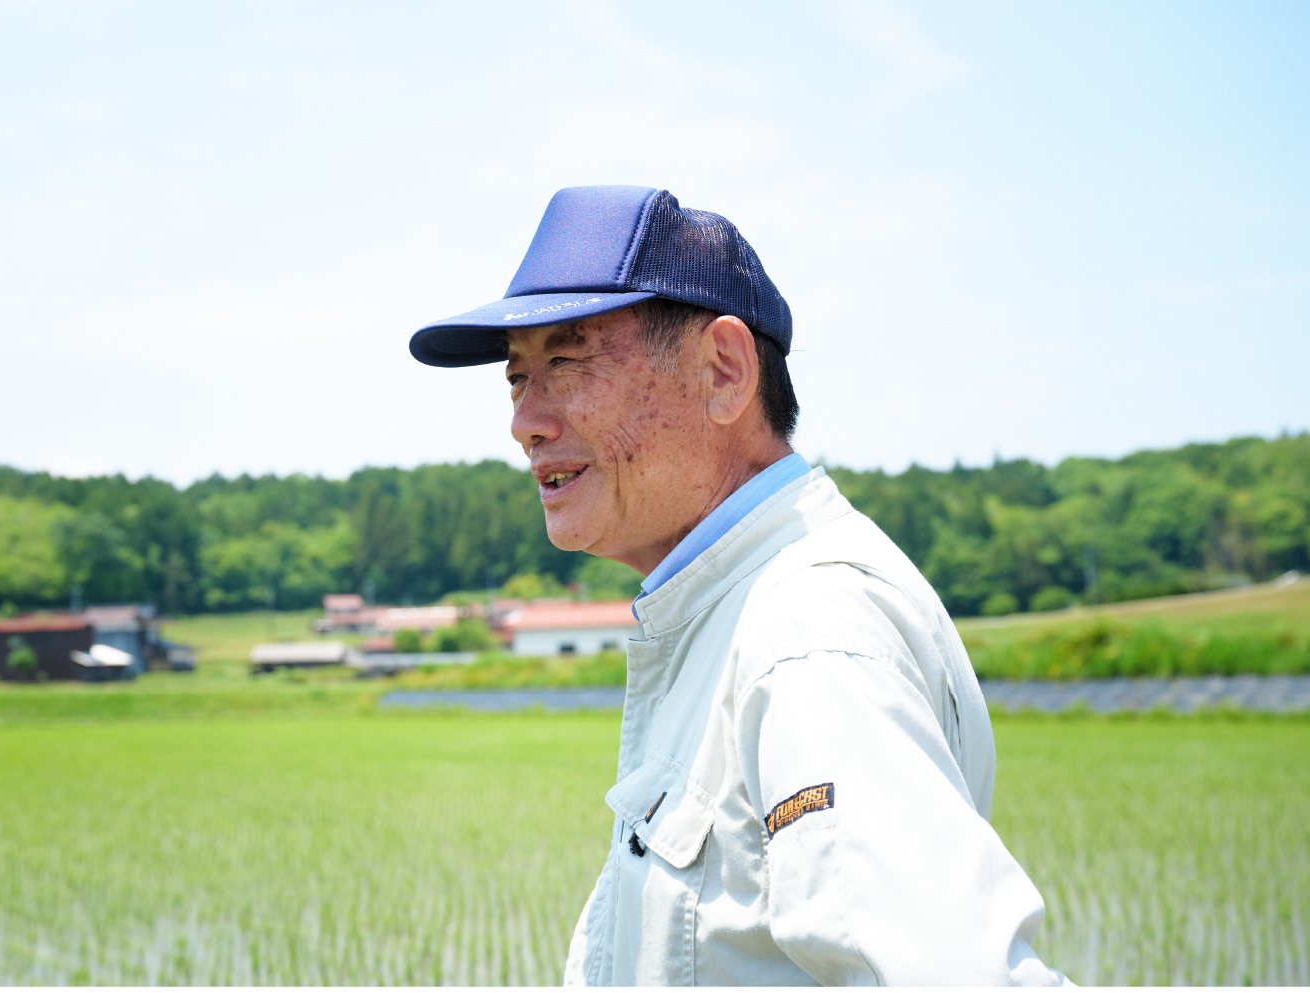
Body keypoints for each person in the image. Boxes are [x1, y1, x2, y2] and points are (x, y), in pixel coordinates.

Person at [409, 185, 1068, 986]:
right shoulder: (734, 613)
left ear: (723, 371)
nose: (527, 421)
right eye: (517, 379)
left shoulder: (806, 631)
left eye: (566, 360)